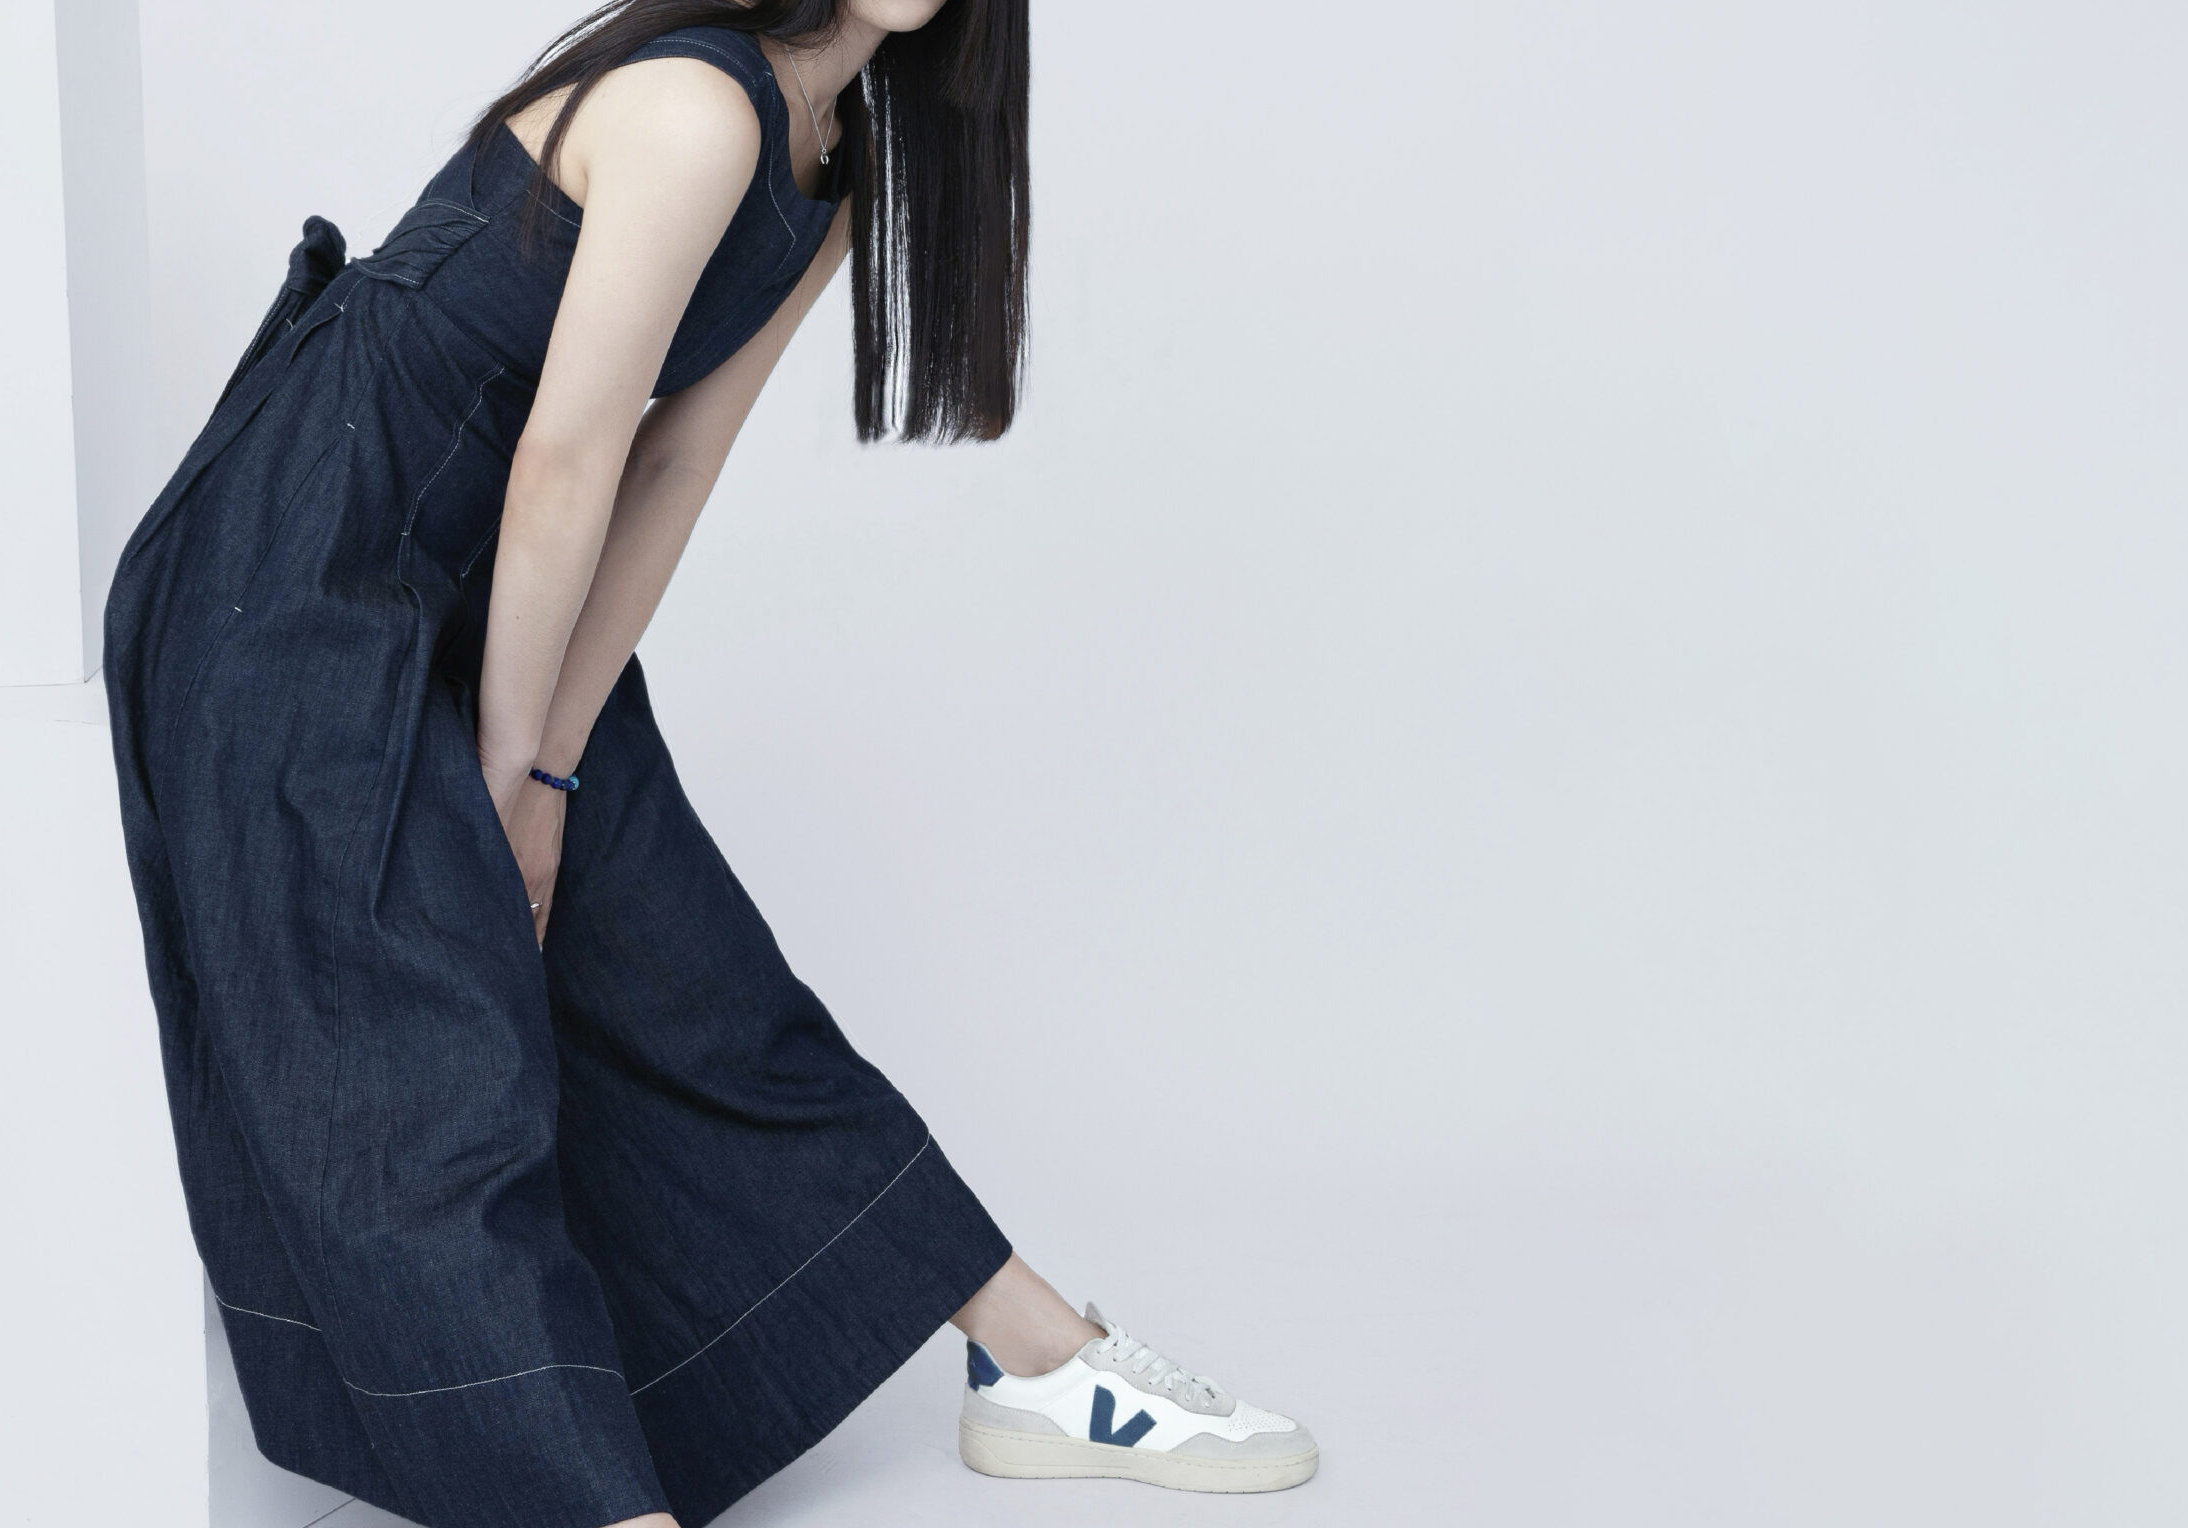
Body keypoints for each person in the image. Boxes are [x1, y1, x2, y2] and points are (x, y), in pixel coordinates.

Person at [100, 3, 1315, 1524]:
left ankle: (1032, 1354)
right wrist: (510, 773)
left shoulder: (825, 167)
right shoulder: (694, 108)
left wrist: (549, 772)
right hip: (291, 563)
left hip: (478, 580)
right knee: (423, 1066)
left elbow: (671, 462)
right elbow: (568, 455)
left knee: (671, 954)